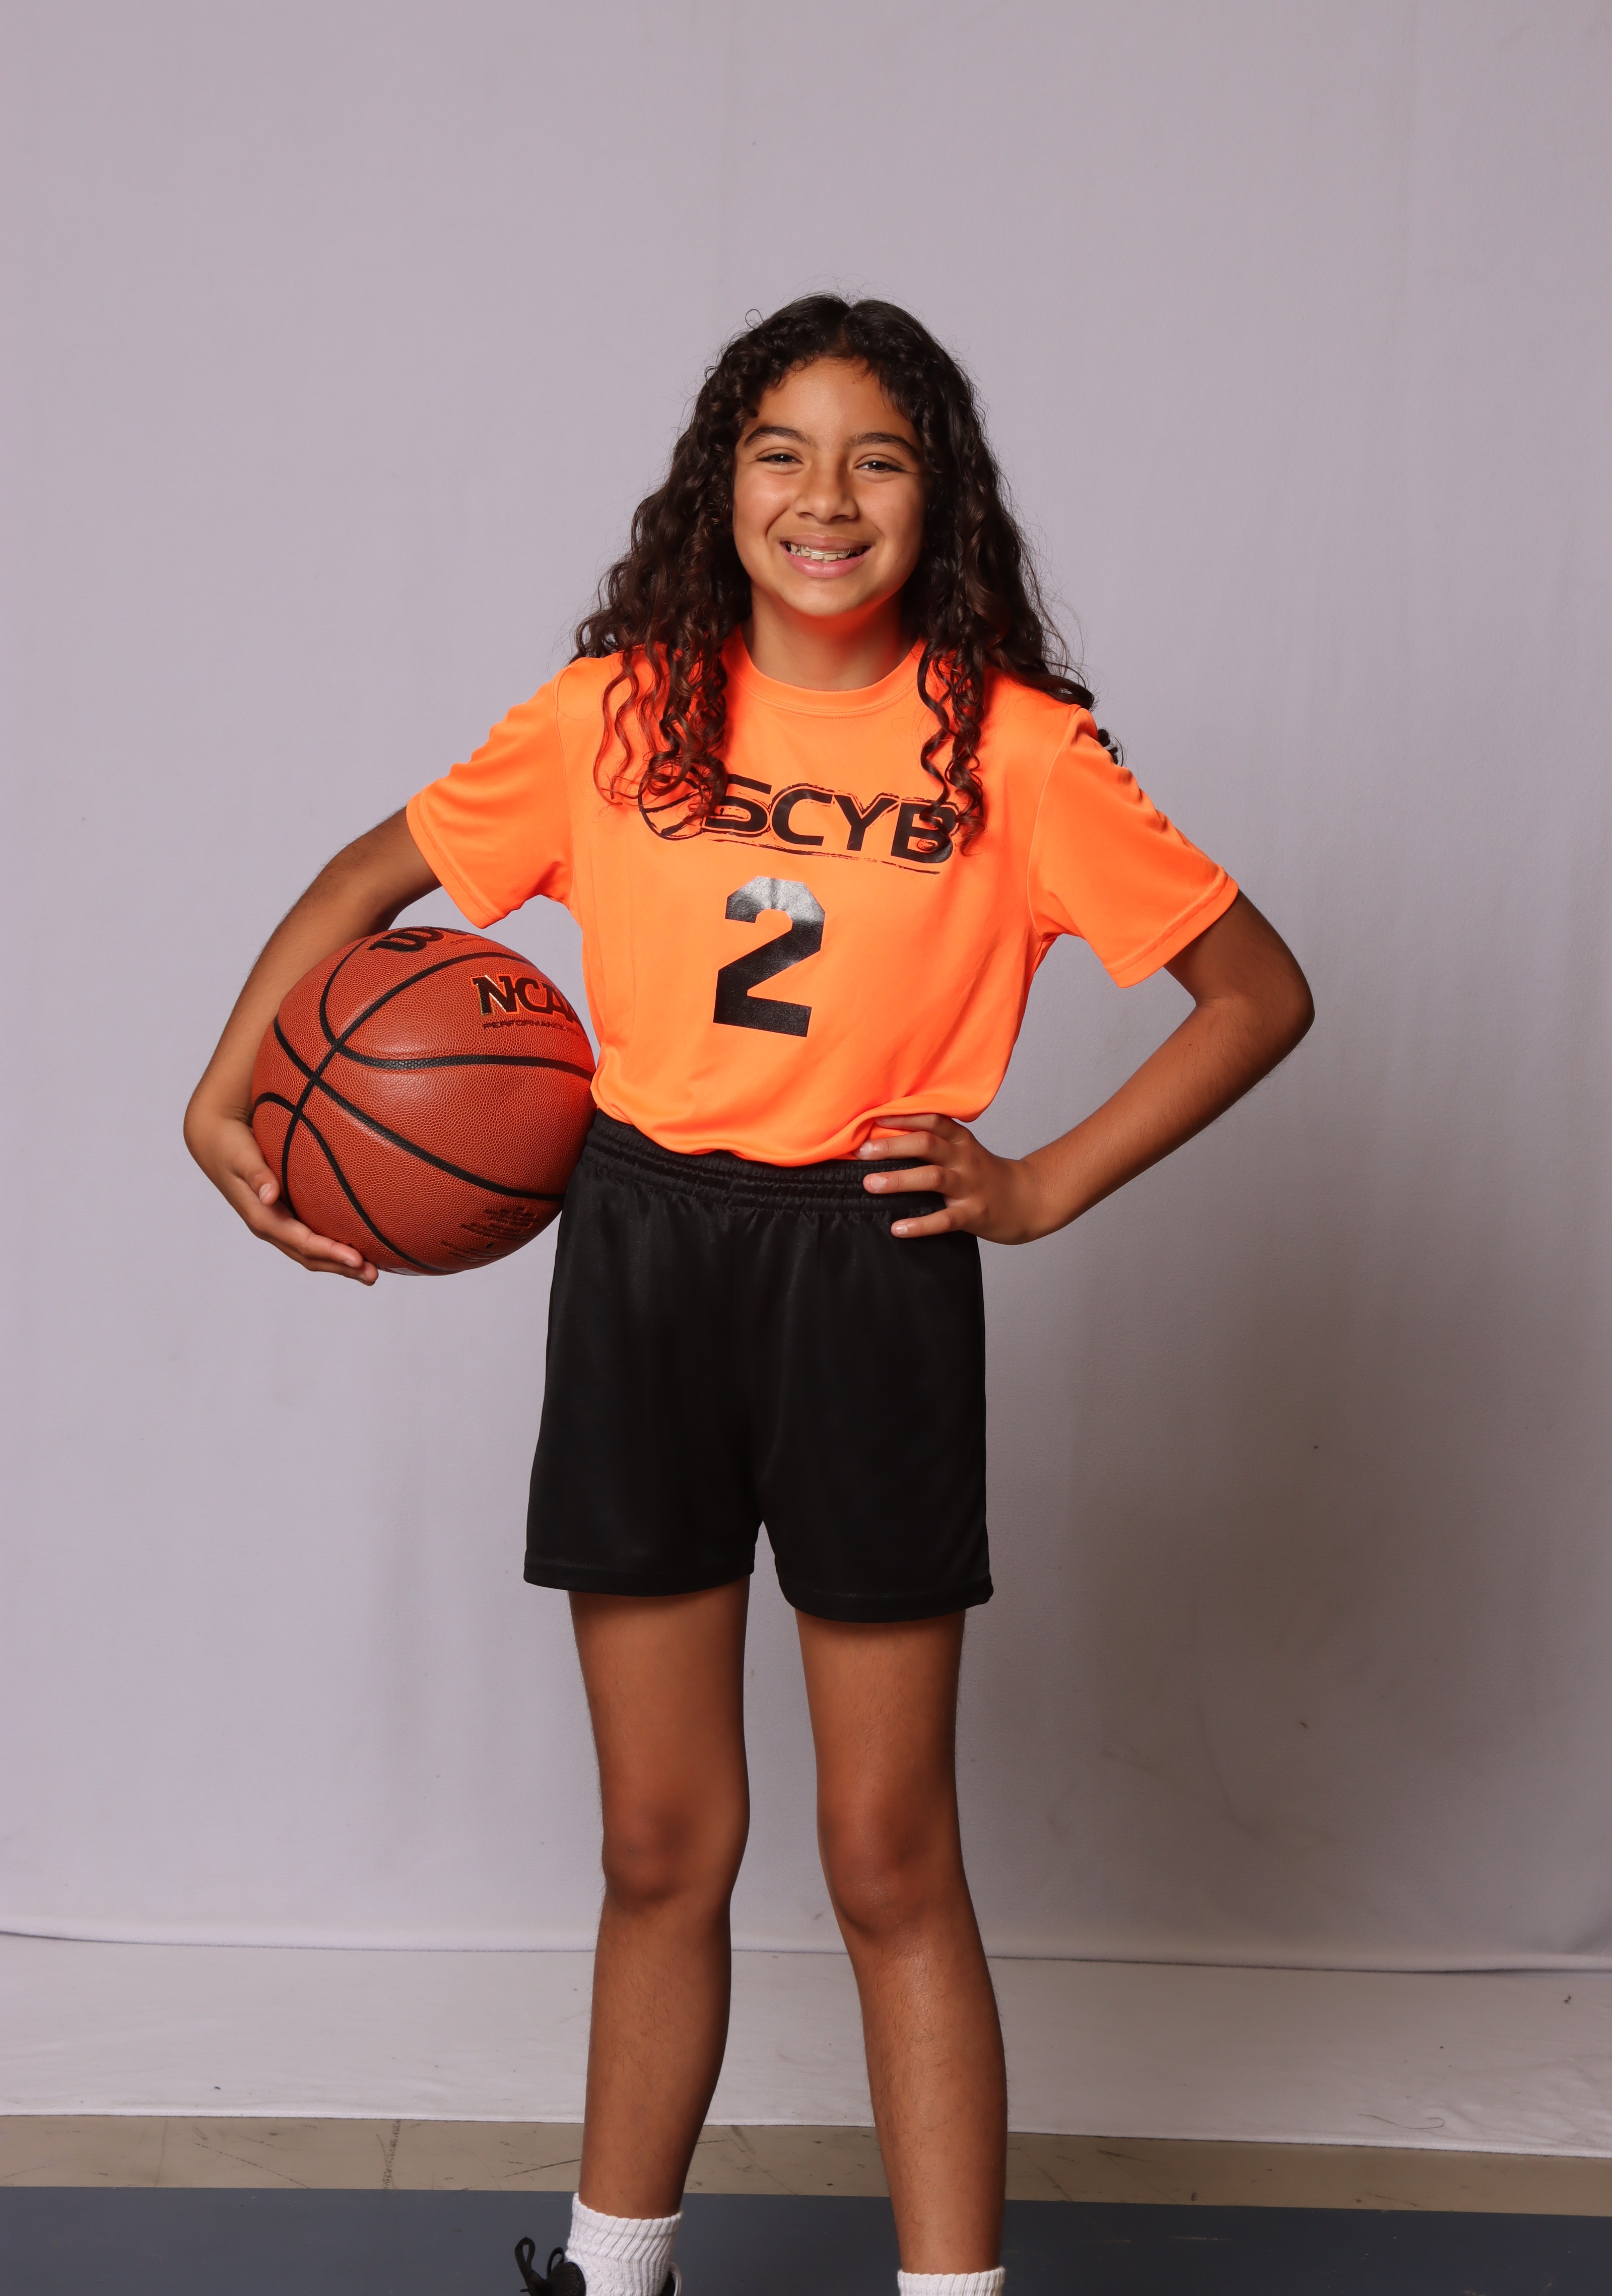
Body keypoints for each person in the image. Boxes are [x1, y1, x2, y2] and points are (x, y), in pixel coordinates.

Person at [184, 295, 1313, 2296]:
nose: (825, 496)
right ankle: (612, 2277)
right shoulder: (617, 714)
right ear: (721, 485)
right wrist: (226, 1079)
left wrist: (1040, 1182)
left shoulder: (1016, 752)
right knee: (658, 1845)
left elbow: (1255, 989)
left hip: (866, 1273)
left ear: (939, 498)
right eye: (780, 451)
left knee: (887, 1854)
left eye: (877, 457)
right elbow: (374, 877)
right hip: (639, 1257)